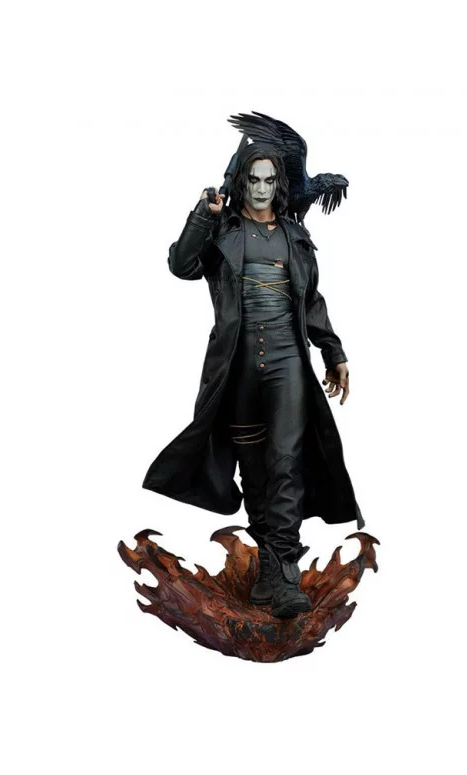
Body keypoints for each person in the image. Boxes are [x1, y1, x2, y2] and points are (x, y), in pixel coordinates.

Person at [142, 142, 363, 619]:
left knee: (285, 464)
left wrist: (334, 352)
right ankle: (268, 571)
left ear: (279, 183)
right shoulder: (222, 230)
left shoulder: (295, 235)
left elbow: (311, 300)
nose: (261, 189)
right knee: (256, 471)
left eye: (269, 180)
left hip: (288, 362)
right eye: (253, 179)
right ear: (240, 181)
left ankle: (285, 575)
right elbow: (181, 265)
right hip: (237, 366)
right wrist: (202, 216)